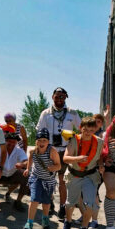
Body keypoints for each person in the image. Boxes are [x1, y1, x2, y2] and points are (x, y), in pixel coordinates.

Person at [36, 87, 81, 220]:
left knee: (62, 181)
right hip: (50, 150)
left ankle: (62, 206)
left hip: (66, 150)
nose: (59, 99)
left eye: (62, 97)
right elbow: (39, 131)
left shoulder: (72, 113)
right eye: (57, 97)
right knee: (48, 179)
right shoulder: (46, 113)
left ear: (66, 97)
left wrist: (74, 139)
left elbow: (81, 128)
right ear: (52, 97)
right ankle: (49, 204)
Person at [62, 117, 104, 229]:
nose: (88, 132)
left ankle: (84, 228)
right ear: (81, 128)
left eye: (91, 130)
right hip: (74, 174)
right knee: (70, 203)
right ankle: (68, 221)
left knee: (90, 203)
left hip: (90, 176)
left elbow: (100, 157)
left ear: (95, 129)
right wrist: (77, 158)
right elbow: (65, 158)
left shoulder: (99, 142)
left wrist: (101, 164)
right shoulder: (74, 140)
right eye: (85, 129)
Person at [22, 128, 61, 229]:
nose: (42, 142)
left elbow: (59, 166)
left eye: (44, 140)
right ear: (36, 141)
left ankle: (45, 218)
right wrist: (27, 169)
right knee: (34, 199)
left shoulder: (52, 151)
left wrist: (51, 168)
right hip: (36, 178)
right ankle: (29, 222)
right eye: (39, 140)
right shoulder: (33, 151)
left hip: (49, 181)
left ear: (48, 142)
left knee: (46, 202)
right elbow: (30, 158)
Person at [0, 130, 29, 212]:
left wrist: (22, 164)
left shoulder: (19, 150)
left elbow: (26, 161)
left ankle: (18, 201)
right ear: (5, 141)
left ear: (16, 142)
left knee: (26, 175)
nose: (11, 144)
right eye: (9, 141)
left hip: (12, 174)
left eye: (14, 142)